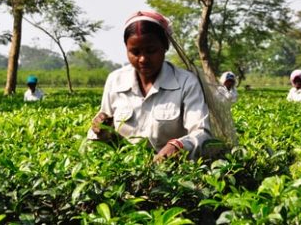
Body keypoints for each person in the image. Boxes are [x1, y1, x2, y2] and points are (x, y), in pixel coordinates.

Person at [87, 10, 212, 162]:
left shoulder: (186, 82)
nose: (143, 59)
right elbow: (105, 133)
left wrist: (179, 146)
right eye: (135, 52)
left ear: (165, 46)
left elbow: (202, 133)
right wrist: (100, 130)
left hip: (175, 174)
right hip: (126, 170)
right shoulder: (115, 81)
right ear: (126, 49)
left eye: (151, 51)